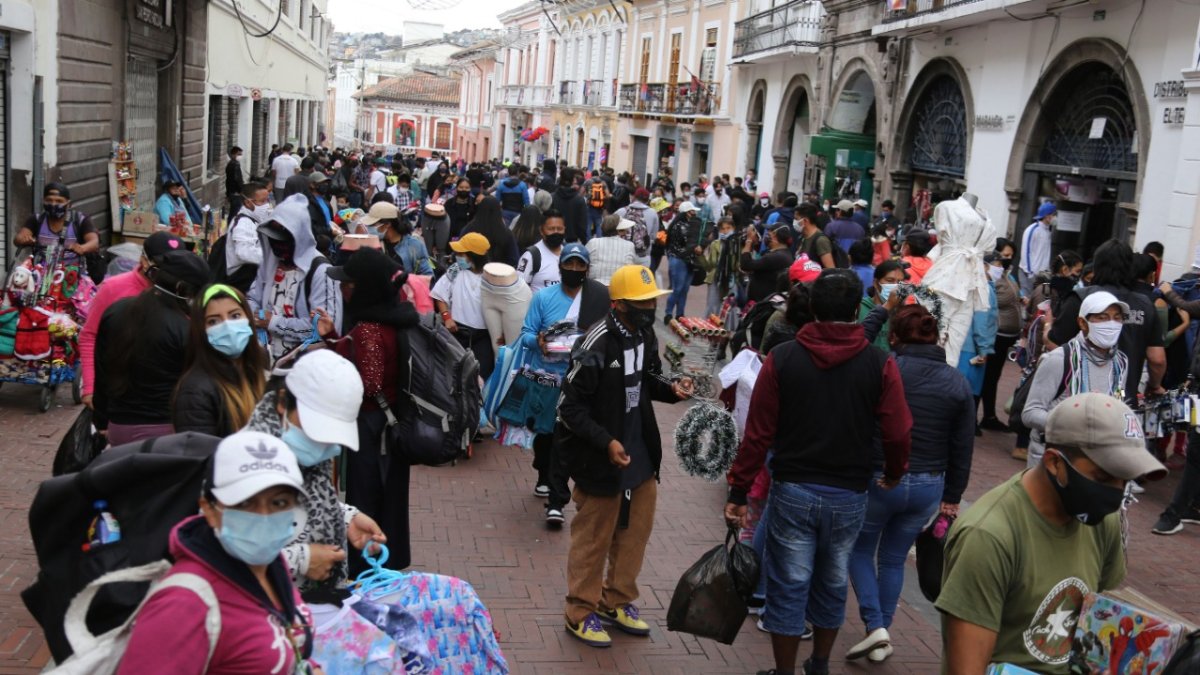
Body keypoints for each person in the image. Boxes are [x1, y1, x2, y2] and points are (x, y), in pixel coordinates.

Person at [725, 268, 912, 675]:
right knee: (831, 580)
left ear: (812, 308)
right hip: (849, 492)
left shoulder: (784, 358)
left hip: (793, 486)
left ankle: (785, 670)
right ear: (853, 309)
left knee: (789, 583)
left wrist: (739, 491)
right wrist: (895, 471)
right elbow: (898, 431)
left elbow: (758, 432)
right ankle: (821, 663)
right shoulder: (878, 363)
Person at [937, 393, 1166, 674]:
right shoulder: (989, 536)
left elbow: (1099, 617)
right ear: (1054, 463)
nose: (1115, 493)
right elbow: (968, 668)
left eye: (1125, 478)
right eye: (1103, 478)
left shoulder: (1101, 519)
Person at [553, 265, 693, 647]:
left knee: (635, 533)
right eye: (641, 303)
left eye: (652, 301)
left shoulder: (646, 334)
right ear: (618, 304)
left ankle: (617, 600)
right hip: (599, 459)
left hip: (640, 454)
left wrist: (672, 388)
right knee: (593, 538)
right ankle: (580, 609)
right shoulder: (596, 341)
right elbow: (569, 406)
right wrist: (606, 442)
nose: (649, 308)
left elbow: (648, 378)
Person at [118, 431, 314, 673]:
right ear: (209, 509)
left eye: (279, 503)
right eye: (245, 503)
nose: (264, 518)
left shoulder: (272, 564)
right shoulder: (183, 604)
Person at [847, 305, 974, 663]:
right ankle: (881, 632)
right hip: (929, 485)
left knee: (859, 549)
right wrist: (953, 496)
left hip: (882, 477)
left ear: (895, 337)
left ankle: (876, 627)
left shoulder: (886, 369)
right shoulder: (957, 382)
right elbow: (963, 444)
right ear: (938, 338)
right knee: (893, 558)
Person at [319, 251, 419, 570]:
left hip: (374, 427)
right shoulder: (391, 318)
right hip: (390, 424)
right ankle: (387, 561)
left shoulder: (369, 330)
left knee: (367, 498)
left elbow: (370, 383)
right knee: (388, 500)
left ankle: (367, 569)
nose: (343, 290)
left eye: (348, 284)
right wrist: (333, 339)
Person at [520, 244, 610, 525]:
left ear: (587, 268)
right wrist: (539, 341)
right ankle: (543, 472)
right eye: (568, 264)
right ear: (561, 267)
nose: (573, 270)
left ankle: (557, 500)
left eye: (579, 265)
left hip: (581, 382)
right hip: (549, 378)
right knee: (546, 436)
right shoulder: (543, 298)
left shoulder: (598, 298)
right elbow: (525, 334)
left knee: (565, 437)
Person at [94, 250, 211, 446]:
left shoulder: (115, 311)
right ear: (182, 290)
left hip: (118, 427)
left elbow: (102, 371)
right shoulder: (184, 329)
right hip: (165, 430)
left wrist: (100, 419)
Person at [1048, 240, 1165, 404]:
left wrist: (1046, 326)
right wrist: (1154, 385)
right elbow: (1157, 359)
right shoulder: (1145, 305)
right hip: (1122, 397)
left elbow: (1055, 343)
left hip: (1077, 396)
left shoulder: (1080, 298)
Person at [1024, 291, 1130, 469]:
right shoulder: (1059, 359)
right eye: (1102, 318)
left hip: (1095, 462)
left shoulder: (1120, 363)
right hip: (1052, 460)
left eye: (1117, 318)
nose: (1111, 324)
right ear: (1083, 323)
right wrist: (1074, 426)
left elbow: (1119, 396)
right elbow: (1030, 413)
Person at [79, 231, 185, 410]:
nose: (170, 271)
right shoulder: (113, 288)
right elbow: (90, 336)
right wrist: (90, 386)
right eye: (162, 264)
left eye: (176, 265)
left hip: (166, 393)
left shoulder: (182, 293)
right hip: (120, 389)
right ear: (144, 261)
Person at [248, 194, 340, 364]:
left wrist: (273, 322)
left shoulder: (320, 272)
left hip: (303, 365)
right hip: (266, 361)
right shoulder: (270, 263)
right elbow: (252, 297)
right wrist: (256, 314)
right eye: (273, 239)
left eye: (283, 239)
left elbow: (323, 329)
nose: (277, 245)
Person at [172, 284, 268, 437]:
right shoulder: (195, 391)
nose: (227, 326)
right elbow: (199, 454)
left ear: (248, 318)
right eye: (213, 321)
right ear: (201, 330)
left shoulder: (257, 370)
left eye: (235, 316)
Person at [432, 232, 494, 379]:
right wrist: (447, 317)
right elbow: (439, 294)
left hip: (483, 337)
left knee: (480, 378)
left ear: (474, 256)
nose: (457, 255)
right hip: (457, 333)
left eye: (462, 253)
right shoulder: (455, 269)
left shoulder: (493, 276)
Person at [13, 182, 100, 271]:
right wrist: (24, 239)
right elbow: (18, 239)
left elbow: (94, 243)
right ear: (43, 201)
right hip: (41, 274)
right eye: (49, 200)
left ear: (69, 204)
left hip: (72, 275)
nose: (53, 204)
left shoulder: (80, 220)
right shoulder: (37, 219)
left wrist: (82, 248)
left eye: (59, 201)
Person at [980, 244, 1021, 432]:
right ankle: (980, 416)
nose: (1007, 260)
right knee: (986, 376)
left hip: (1007, 336)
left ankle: (989, 415)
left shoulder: (1007, 276)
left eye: (1011, 255)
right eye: (1004, 256)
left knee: (994, 377)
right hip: (996, 334)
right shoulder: (988, 282)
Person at [220, 181, 271, 292]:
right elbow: (244, 252)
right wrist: (271, 257)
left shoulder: (255, 219)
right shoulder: (243, 223)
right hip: (241, 282)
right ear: (248, 203)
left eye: (267, 200)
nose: (266, 205)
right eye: (262, 201)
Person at [359, 201, 433, 275]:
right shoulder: (373, 244)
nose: (369, 229)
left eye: (373, 225)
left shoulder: (414, 246)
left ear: (387, 224)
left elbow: (427, 276)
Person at [664, 201, 703, 323]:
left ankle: (680, 313)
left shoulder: (689, 225)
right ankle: (668, 313)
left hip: (688, 260)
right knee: (678, 288)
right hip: (679, 260)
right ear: (687, 213)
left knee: (685, 289)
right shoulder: (680, 226)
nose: (695, 213)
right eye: (693, 211)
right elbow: (689, 242)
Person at [857, 259, 908, 352]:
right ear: (876, 283)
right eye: (890, 281)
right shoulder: (859, 308)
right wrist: (888, 305)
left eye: (899, 282)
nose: (895, 286)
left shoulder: (903, 312)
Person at [741, 222, 794, 305]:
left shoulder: (775, 257)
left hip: (763, 303)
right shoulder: (784, 253)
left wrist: (749, 240)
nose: (766, 236)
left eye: (769, 234)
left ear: (775, 236)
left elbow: (745, 265)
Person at [517, 209, 567, 292]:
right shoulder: (531, 256)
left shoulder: (569, 253)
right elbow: (519, 289)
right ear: (541, 231)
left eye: (559, 229)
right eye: (551, 229)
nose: (556, 232)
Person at [700, 216, 740, 318]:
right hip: (715, 277)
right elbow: (709, 266)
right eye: (723, 228)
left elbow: (737, 264)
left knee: (729, 306)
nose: (726, 231)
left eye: (728, 228)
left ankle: (724, 329)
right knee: (712, 305)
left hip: (731, 278)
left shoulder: (737, 243)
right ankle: (709, 329)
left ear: (733, 228)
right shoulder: (715, 244)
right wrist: (700, 256)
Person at [462, 196, 519, 266]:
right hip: (497, 274)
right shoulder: (506, 233)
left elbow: (460, 250)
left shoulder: (469, 228)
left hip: (472, 271)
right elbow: (514, 259)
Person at [1018, 201, 1056, 296]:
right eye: (1054, 214)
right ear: (1047, 216)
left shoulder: (1047, 231)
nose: (1055, 217)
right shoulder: (1032, 229)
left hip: (1042, 275)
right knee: (1026, 300)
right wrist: (1030, 273)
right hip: (1029, 273)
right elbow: (1025, 252)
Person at [586, 215, 636, 285]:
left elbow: (585, 263)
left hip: (595, 286)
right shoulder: (630, 245)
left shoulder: (593, 242)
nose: (626, 232)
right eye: (623, 230)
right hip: (620, 287)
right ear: (618, 231)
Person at [616, 187, 660, 267]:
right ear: (647, 200)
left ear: (634, 197)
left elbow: (611, 229)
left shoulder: (621, 211)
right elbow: (653, 236)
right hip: (643, 254)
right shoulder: (653, 213)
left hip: (623, 253)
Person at [552, 168, 589, 243]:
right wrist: (583, 241)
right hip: (572, 240)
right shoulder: (579, 200)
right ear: (573, 181)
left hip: (553, 236)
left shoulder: (552, 197)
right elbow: (582, 224)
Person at [795, 203, 835, 269]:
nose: (795, 222)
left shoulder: (821, 240)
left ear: (805, 221)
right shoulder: (802, 238)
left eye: (796, 219)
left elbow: (830, 269)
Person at [224, 146, 245, 219]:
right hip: (236, 193)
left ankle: (230, 225)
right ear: (233, 154)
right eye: (239, 154)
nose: (240, 156)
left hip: (231, 192)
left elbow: (228, 180)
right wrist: (241, 190)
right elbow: (237, 179)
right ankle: (231, 227)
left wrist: (228, 193)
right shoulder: (235, 164)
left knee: (232, 212)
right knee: (235, 212)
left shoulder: (230, 164)